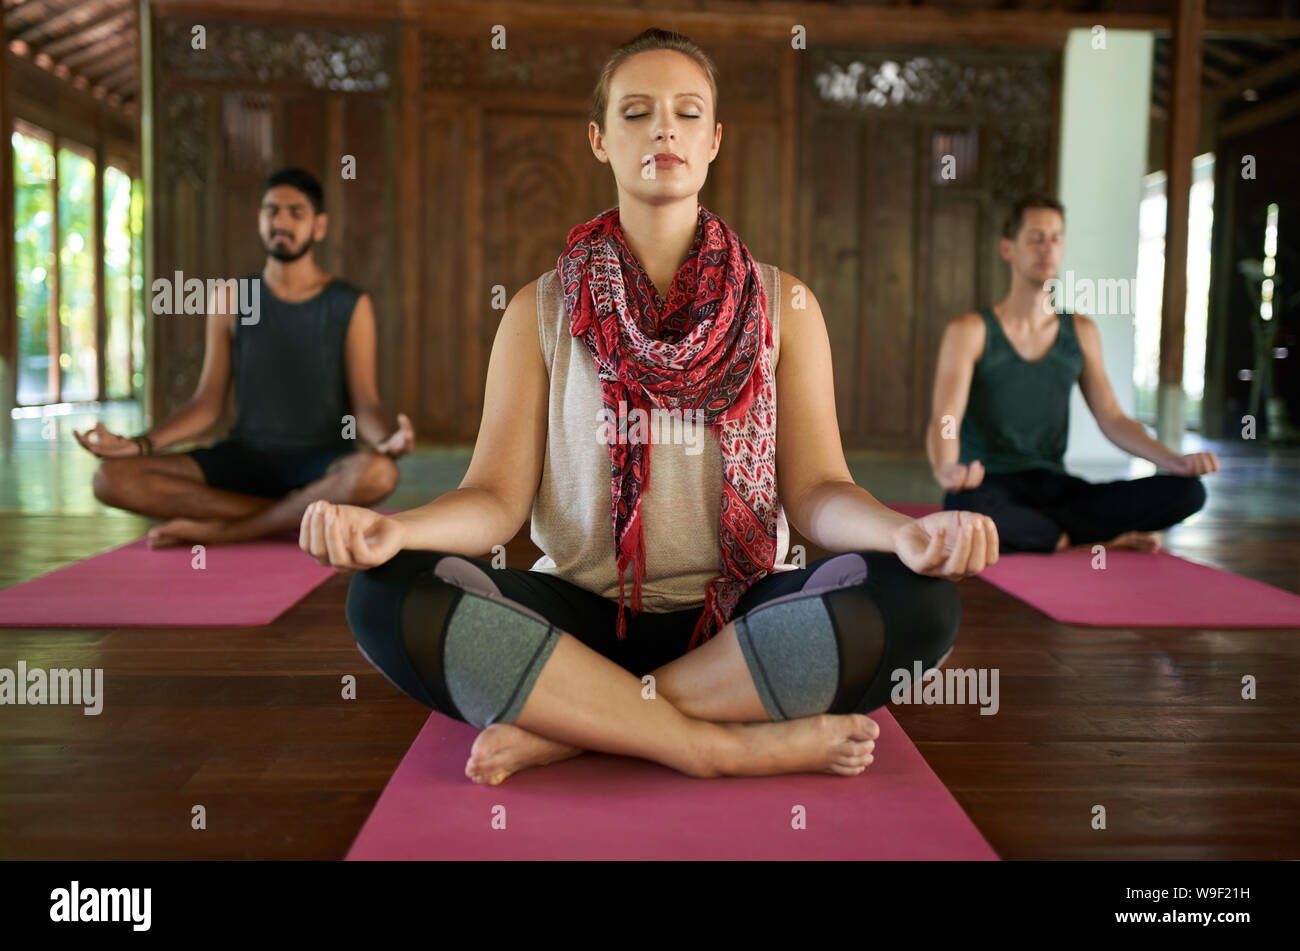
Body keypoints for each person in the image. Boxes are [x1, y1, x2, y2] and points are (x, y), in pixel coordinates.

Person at [304, 29, 998, 786]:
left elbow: (817, 493)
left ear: (714, 140)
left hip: (740, 619)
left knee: (922, 603)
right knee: (384, 595)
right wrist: (392, 530)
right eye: (636, 112)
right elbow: (495, 500)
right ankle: (714, 743)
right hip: (580, 619)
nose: (664, 127)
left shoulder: (784, 303)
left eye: (687, 112)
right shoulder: (539, 308)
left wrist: (908, 534)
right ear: (600, 139)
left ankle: (579, 725)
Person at [76, 167, 413, 548]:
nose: (280, 221)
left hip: (323, 465)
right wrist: (140, 444)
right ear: (260, 219)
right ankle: (292, 517)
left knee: (379, 474)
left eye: (295, 213)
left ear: (319, 227)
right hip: (245, 458)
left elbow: (366, 403)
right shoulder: (232, 296)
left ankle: (234, 528)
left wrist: (388, 437)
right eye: (271, 211)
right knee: (110, 479)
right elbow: (206, 404)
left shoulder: (350, 303)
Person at [927, 193, 1218, 554]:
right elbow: (946, 418)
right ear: (1008, 248)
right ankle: (1084, 536)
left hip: (1056, 488)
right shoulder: (971, 330)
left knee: (1188, 492)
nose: (1047, 249)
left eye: (1056, 238)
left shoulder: (1080, 331)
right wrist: (947, 468)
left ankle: (1055, 536)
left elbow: (1112, 418)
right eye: (1035, 238)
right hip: (988, 484)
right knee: (964, 509)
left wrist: (1172, 460)